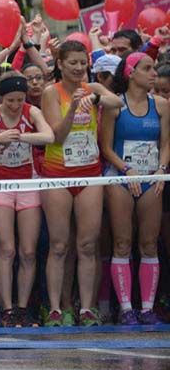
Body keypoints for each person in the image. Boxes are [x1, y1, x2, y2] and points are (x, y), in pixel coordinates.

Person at [40, 40, 121, 326]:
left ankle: (86, 308)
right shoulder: (52, 93)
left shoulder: (93, 89)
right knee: (60, 245)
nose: (78, 68)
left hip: (89, 174)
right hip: (58, 175)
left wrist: (95, 98)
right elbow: (57, 137)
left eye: (82, 62)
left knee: (87, 244)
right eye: (72, 62)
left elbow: (117, 102)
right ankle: (55, 308)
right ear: (60, 64)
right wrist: (73, 108)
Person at [99, 53, 169, 325]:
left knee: (150, 243)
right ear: (131, 72)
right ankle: (126, 308)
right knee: (122, 242)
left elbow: (166, 143)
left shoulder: (161, 105)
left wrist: (162, 170)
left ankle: (148, 308)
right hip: (121, 177)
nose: (153, 73)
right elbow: (105, 147)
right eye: (147, 68)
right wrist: (127, 171)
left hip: (153, 176)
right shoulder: (116, 105)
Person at [0, 74, 54, 327]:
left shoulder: (31, 111)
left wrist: (22, 137)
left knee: (28, 250)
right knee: (7, 249)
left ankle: (23, 307)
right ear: (2, 97)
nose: (14, 105)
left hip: (28, 183)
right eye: (10, 100)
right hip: (0, 183)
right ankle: (8, 308)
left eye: (19, 100)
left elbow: (49, 137)